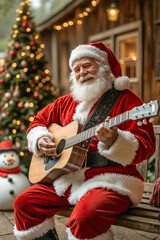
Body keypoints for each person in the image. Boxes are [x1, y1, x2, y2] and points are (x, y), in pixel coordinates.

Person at [13, 42, 155, 240]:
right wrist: (40, 139)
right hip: (66, 178)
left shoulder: (127, 100)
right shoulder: (65, 102)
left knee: (85, 217)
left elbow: (146, 145)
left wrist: (116, 140)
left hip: (110, 179)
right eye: (77, 69)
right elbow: (38, 121)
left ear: (103, 67)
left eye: (87, 65)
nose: (82, 72)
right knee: (24, 204)